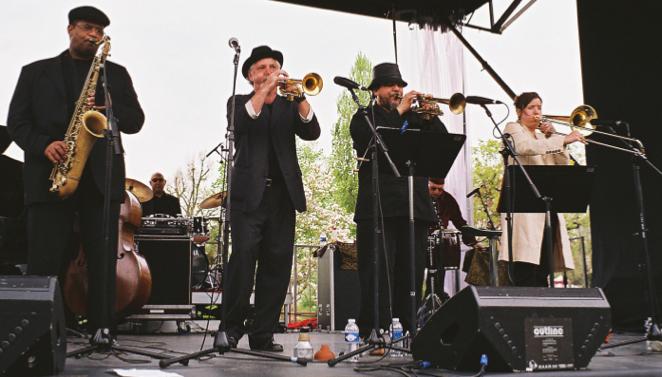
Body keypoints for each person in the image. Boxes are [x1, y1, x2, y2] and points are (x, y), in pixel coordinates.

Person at [6, 6, 144, 344]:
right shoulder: (35, 72)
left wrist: (111, 107)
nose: (93, 35)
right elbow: (16, 123)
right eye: (87, 28)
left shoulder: (116, 74)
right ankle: (41, 334)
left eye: (98, 31)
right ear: (70, 29)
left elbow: (136, 121)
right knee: (45, 258)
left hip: (100, 179)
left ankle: (102, 329)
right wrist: (43, 145)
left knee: (101, 260)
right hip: (51, 177)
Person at [216, 45, 320, 352]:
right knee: (243, 261)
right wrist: (265, 90)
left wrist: (300, 97)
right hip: (248, 196)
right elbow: (243, 122)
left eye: (275, 65)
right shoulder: (238, 101)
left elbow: (312, 131)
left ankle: (262, 334)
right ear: (250, 75)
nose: (270, 71)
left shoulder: (290, 105)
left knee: (277, 266)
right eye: (263, 67)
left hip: (283, 197)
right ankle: (231, 329)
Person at [350, 62, 446, 337]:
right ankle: (374, 328)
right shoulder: (364, 116)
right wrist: (400, 110)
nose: (398, 89)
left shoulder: (414, 118)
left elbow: (440, 146)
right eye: (391, 85)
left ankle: (409, 328)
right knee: (376, 271)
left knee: (412, 273)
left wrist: (431, 115)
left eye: (401, 85)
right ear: (376, 90)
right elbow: (374, 139)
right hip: (378, 206)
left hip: (414, 205)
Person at [498, 92, 584, 287]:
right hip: (524, 209)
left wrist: (554, 136)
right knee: (526, 264)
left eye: (539, 107)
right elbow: (524, 147)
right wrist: (560, 140)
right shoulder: (513, 128)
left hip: (546, 206)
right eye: (531, 107)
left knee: (544, 266)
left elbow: (561, 165)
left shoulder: (542, 137)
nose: (537, 112)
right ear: (519, 111)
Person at [427, 177, 476, 297]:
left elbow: (460, 222)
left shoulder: (448, 199)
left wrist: (473, 242)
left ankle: (435, 298)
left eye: (440, 189)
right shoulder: (417, 196)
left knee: (438, 274)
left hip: (438, 244)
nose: (437, 192)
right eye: (433, 189)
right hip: (419, 240)